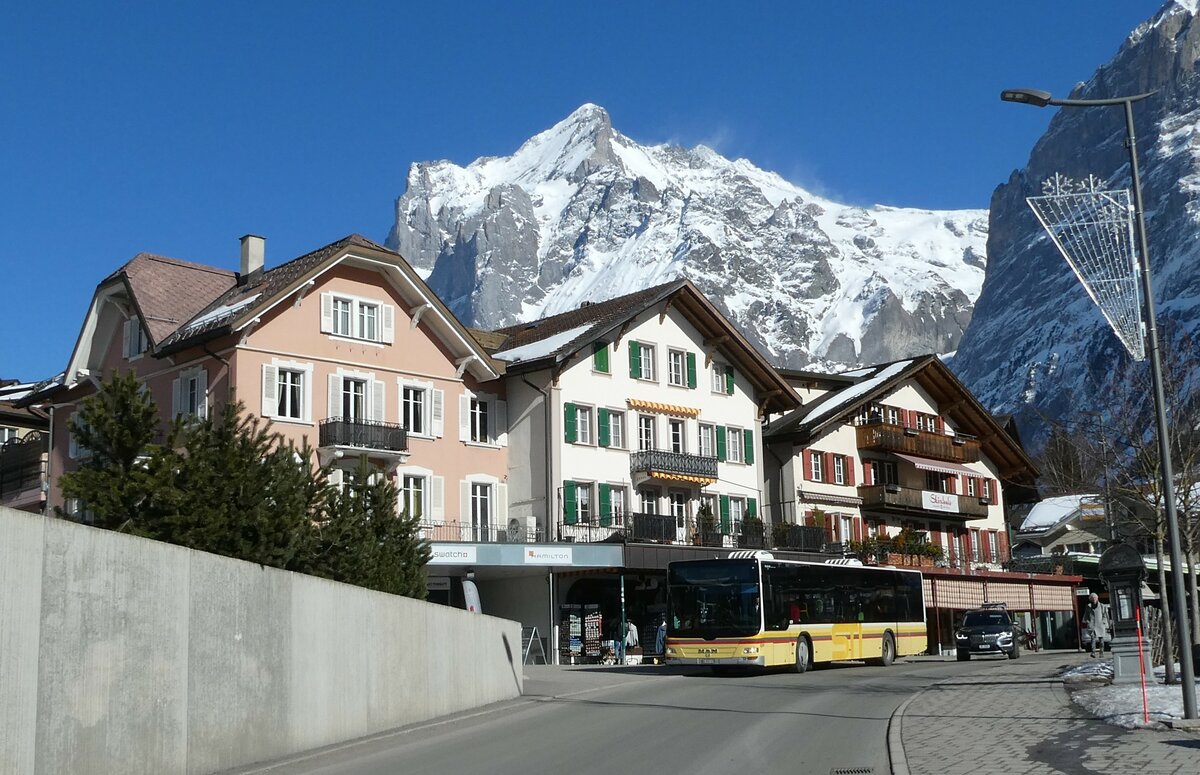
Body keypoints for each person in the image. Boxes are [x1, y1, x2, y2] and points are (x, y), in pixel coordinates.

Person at [1082, 592, 1111, 657]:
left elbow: (1105, 615)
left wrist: (1104, 622)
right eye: (1092, 598)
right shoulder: (1088, 606)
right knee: (1093, 639)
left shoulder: (1102, 606)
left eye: (1095, 598)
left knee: (1101, 640)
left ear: (1097, 598)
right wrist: (1087, 621)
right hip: (1092, 625)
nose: (1094, 599)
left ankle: (1101, 653)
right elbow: (1086, 615)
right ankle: (1093, 652)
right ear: (1090, 599)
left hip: (1100, 624)